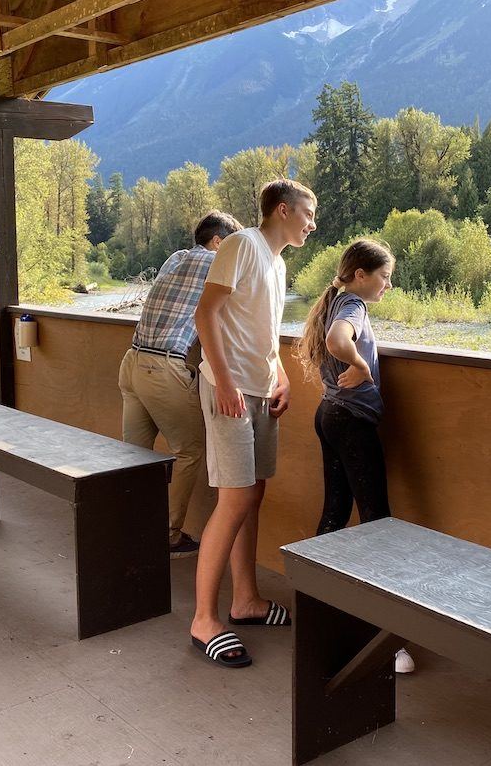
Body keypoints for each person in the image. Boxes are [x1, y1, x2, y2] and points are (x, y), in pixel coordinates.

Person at [189, 179, 316, 668]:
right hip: (231, 389)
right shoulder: (242, 245)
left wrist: (281, 374)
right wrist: (223, 381)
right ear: (282, 209)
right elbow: (207, 314)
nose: (312, 223)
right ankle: (204, 620)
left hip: (259, 389)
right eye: (308, 213)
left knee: (254, 491)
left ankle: (245, 600)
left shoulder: (278, 262)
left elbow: (258, 331)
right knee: (236, 495)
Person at [295, 239, 414, 674]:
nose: (387, 285)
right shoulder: (353, 308)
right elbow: (336, 340)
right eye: (384, 276)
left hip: (329, 413)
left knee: (334, 514)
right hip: (350, 421)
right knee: (377, 522)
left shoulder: (335, 300)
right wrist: (362, 367)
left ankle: (318, 611)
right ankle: (380, 636)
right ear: (361, 274)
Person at [118, 210, 243, 558]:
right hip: (163, 368)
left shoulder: (176, 259)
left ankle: (131, 528)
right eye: (232, 246)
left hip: (132, 362)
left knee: (134, 457)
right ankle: (168, 535)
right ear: (218, 242)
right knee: (189, 451)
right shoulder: (213, 265)